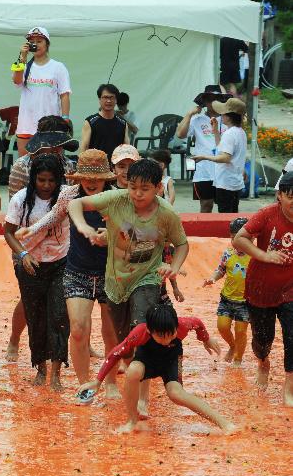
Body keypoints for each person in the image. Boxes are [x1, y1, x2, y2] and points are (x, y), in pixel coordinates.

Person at [68, 158, 188, 417]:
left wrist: (174, 267)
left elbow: (181, 244)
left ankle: (143, 400)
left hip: (147, 278)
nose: (137, 194)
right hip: (115, 281)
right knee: (127, 343)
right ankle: (131, 382)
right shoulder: (116, 200)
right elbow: (75, 203)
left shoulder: (166, 214)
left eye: (144, 189)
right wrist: (82, 225)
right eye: (133, 187)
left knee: (142, 331)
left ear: (158, 187)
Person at [15, 149, 118, 395]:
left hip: (110, 273)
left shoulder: (117, 199)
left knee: (110, 331)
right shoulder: (69, 194)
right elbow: (53, 216)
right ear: (78, 177)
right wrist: (33, 229)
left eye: (97, 178)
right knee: (79, 329)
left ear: (106, 178)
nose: (92, 183)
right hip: (77, 270)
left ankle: (111, 381)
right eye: (86, 177)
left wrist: (111, 237)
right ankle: (85, 384)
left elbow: (130, 231)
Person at [78, 304, 235, 434]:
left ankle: (224, 423)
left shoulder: (183, 325)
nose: (166, 340)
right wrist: (97, 382)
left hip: (171, 359)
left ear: (176, 327)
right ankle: (132, 421)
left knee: (175, 394)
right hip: (147, 359)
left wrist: (206, 339)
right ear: (149, 331)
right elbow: (114, 354)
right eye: (161, 336)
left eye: (171, 335)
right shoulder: (139, 332)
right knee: (133, 371)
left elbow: (198, 323)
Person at [4, 154, 69, 389]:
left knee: (60, 316)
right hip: (30, 264)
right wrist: (23, 255)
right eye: (41, 180)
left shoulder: (66, 196)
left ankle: (56, 373)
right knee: (35, 318)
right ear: (33, 179)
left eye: (52, 180)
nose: (46, 185)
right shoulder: (21, 200)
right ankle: (40, 368)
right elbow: (9, 232)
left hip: (61, 263)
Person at [232, 172, 293, 406]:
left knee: (292, 336)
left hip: (290, 288)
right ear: (279, 196)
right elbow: (239, 239)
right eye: (291, 197)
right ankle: (263, 361)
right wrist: (264, 255)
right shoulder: (267, 215)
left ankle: (289, 386)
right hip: (261, 288)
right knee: (262, 339)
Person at [11, 27, 71, 156]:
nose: (35, 45)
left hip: (50, 126)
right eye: (32, 41)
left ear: (47, 44)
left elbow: (64, 95)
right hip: (26, 124)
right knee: (25, 165)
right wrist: (22, 57)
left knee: (50, 165)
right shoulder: (24, 66)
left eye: (39, 41)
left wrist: (65, 119)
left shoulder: (58, 67)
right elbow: (16, 81)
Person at [203, 217, 251, 367]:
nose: (235, 241)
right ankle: (232, 345)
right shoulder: (228, 253)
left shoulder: (255, 256)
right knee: (222, 327)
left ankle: (238, 359)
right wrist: (213, 278)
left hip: (245, 302)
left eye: (239, 238)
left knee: (241, 331)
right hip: (227, 299)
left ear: (250, 238)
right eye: (232, 238)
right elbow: (221, 270)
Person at [176, 84, 230, 212]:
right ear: (204, 102)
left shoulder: (228, 119)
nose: (213, 102)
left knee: (225, 207)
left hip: (225, 169)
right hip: (204, 170)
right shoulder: (197, 120)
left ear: (222, 101)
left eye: (217, 98)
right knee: (206, 205)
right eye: (210, 99)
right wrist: (189, 114)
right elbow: (180, 134)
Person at [192, 98, 247, 213]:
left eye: (223, 113)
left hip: (226, 183)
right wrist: (215, 131)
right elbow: (221, 149)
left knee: (225, 215)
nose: (221, 115)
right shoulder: (240, 132)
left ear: (229, 116)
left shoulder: (229, 133)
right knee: (232, 214)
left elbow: (225, 157)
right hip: (235, 182)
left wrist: (204, 157)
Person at [6, 115, 77, 198]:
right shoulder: (22, 166)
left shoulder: (69, 165)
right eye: (51, 143)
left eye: (60, 144)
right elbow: (14, 203)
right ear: (41, 142)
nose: (56, 148)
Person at [79, 84, 129, 159]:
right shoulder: (90, 122)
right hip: (95, 167)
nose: (108, 101)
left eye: (112, 97)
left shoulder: (123, 123)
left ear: (116, 100)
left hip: (116, 168)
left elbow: (127, 149)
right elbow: (83, 149)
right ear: (99, 99)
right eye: (105, 97)